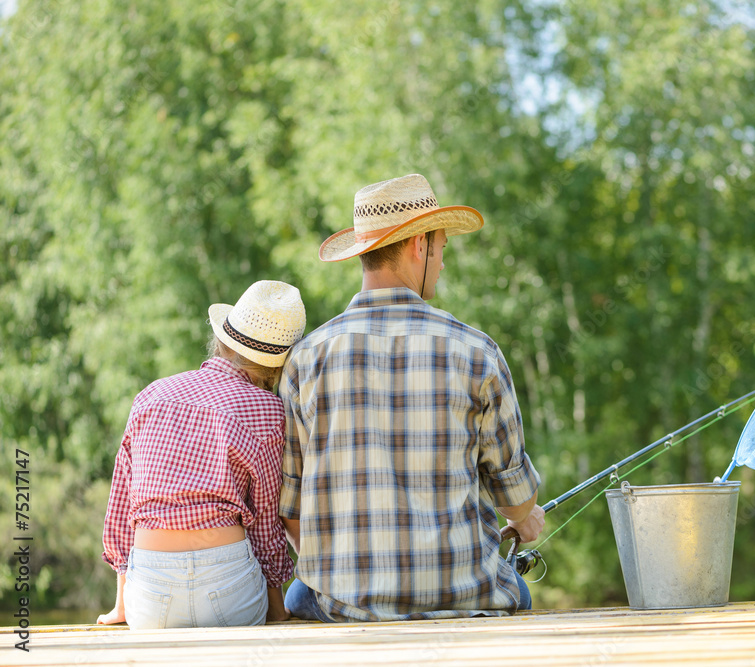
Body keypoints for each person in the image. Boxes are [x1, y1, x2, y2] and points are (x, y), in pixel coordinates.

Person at [279, 173, 545, 622]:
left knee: (297, 597)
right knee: (519, 589)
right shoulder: (477, 352)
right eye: (441, 248)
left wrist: (342, 574)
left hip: (345, 605)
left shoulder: (306, 359)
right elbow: (515, 500)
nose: (441, 264)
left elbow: (292, 508)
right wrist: (526, 518)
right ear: (418, 246)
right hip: (466, 596)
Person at [98, 280, 306, 629]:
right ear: (276, 367)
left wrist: (122, 606)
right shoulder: (269, 409)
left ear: (222, 341)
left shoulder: (151, 396)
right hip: (228, 588)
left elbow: (121, 507)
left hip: (149, 596)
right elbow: (266, 522)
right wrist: (275, 607)